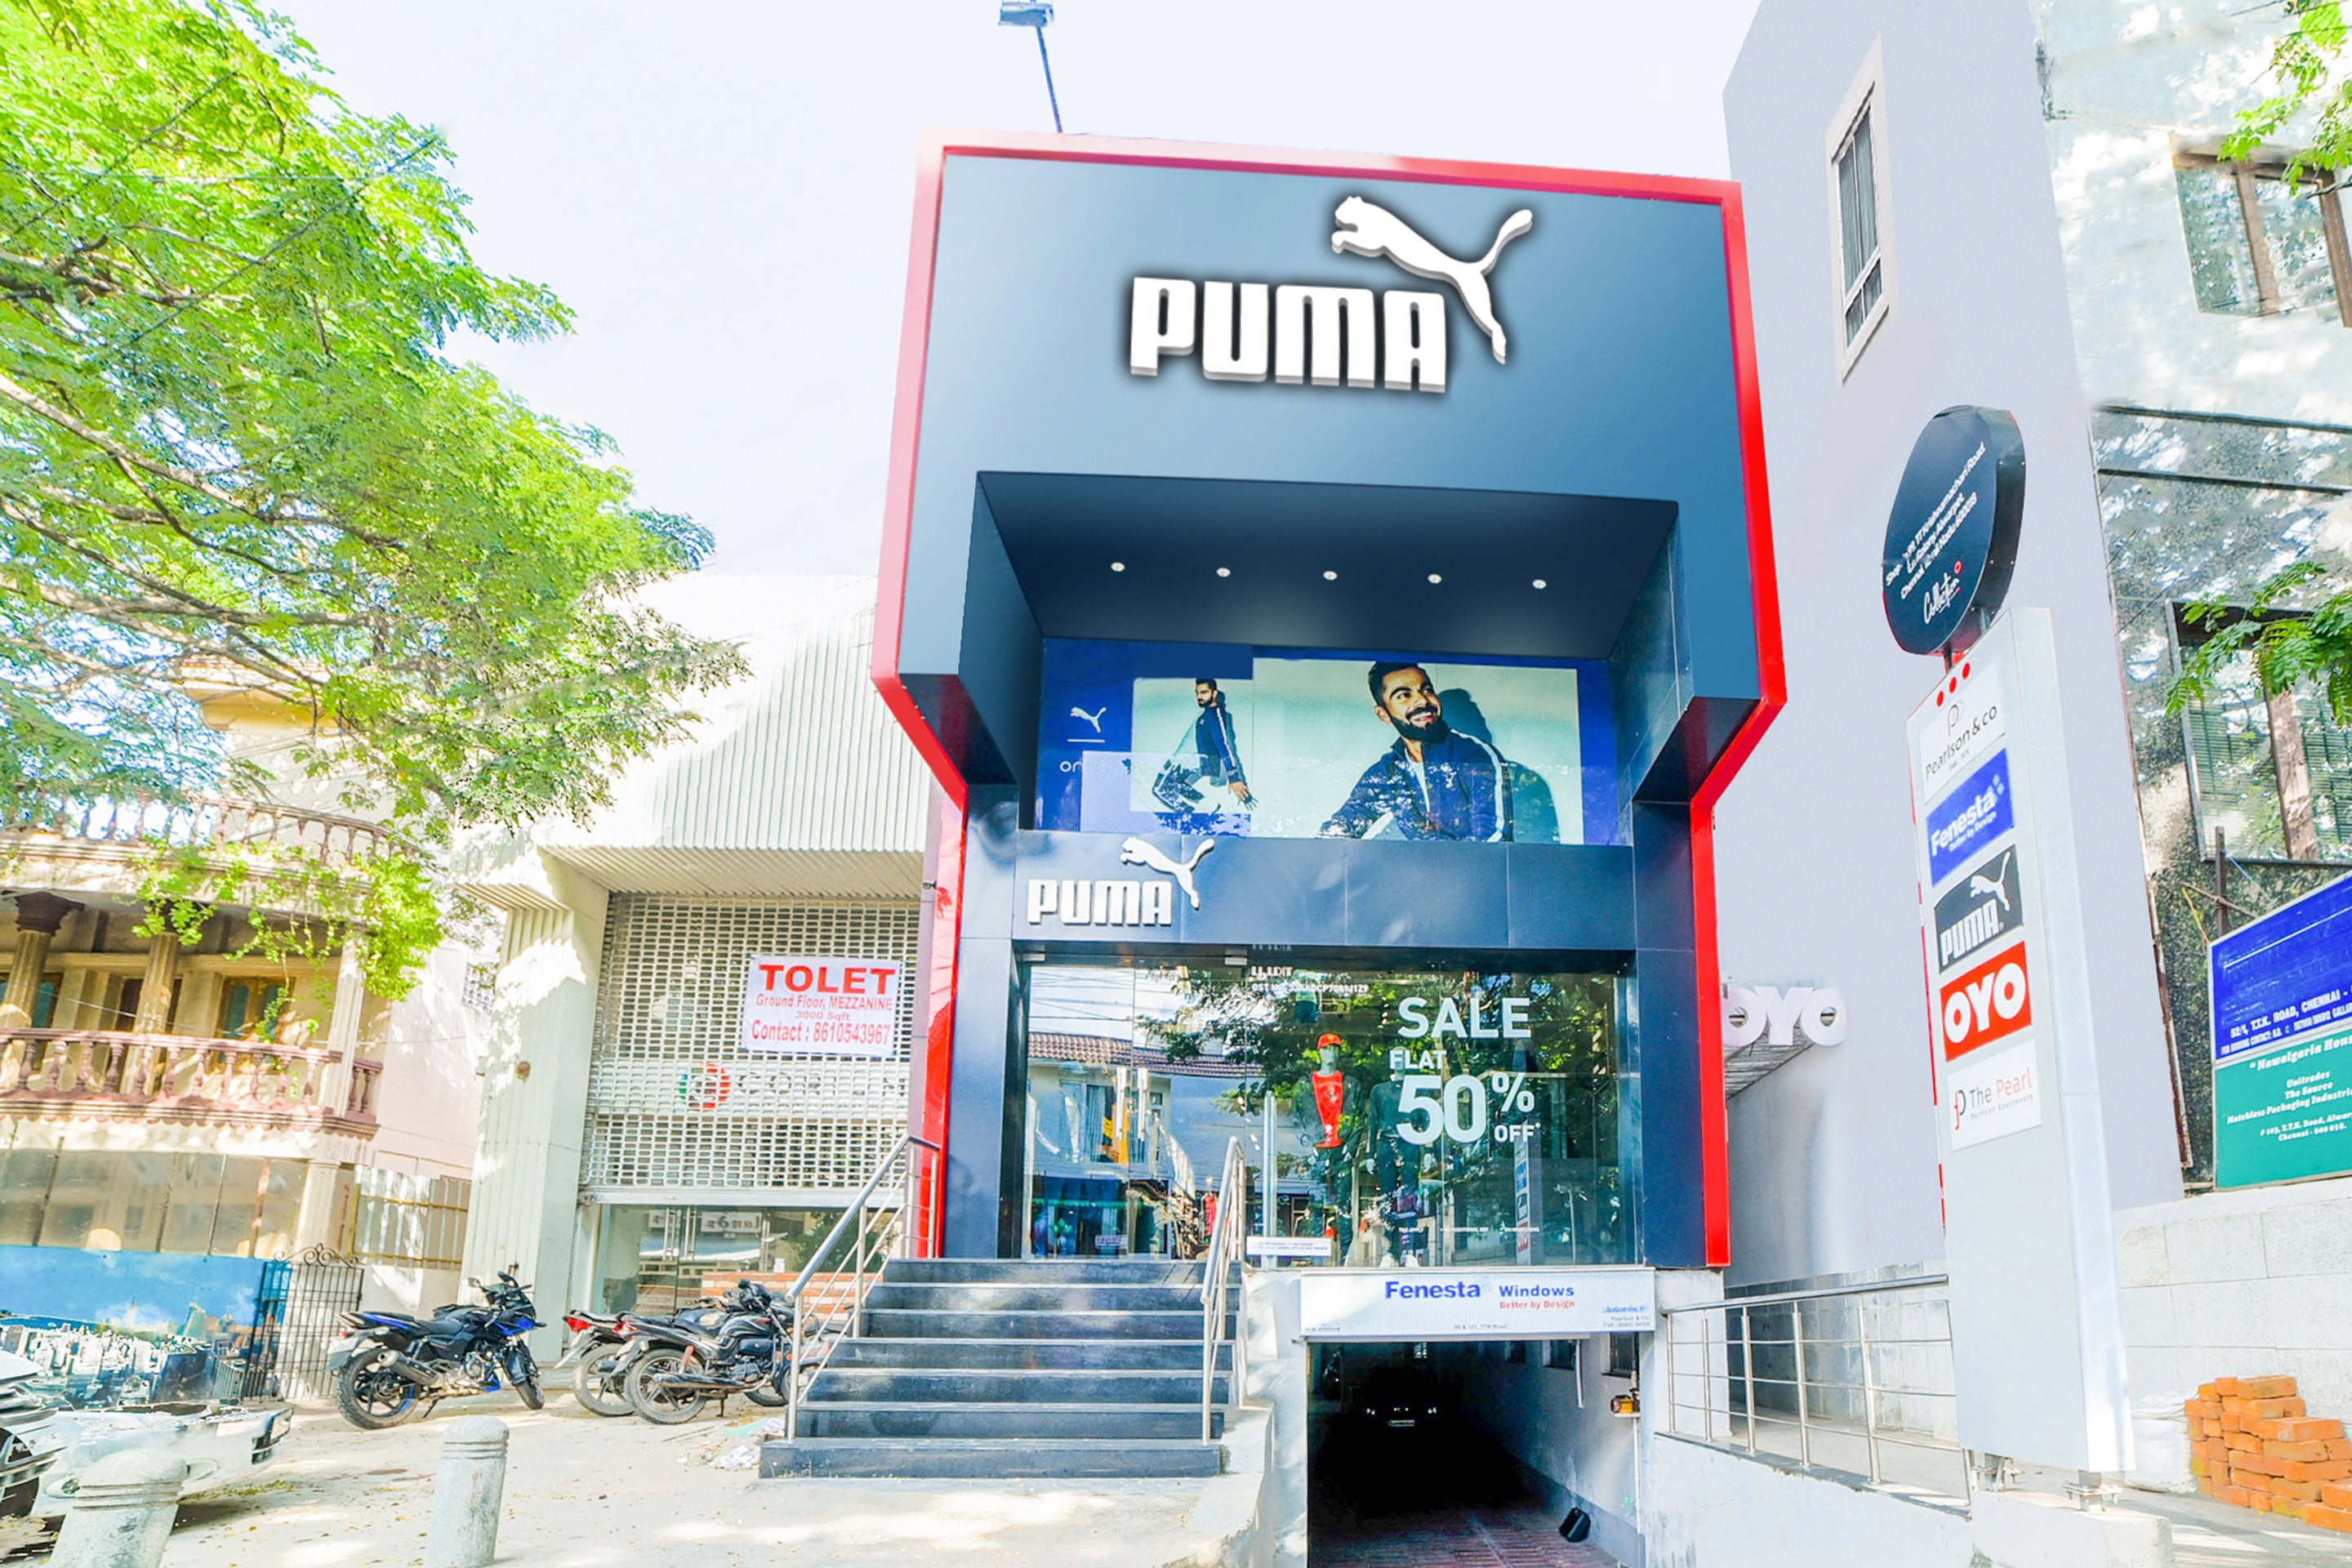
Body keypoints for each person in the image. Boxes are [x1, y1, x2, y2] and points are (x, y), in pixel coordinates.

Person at [1319, 662, 1511, 840]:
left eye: (1427, 690)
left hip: (1472, 867)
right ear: (1383, 714)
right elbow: (1340, 828)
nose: (1422, 701)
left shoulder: (1473, 755)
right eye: (1404, 695)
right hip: (1415, 867)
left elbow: (1493, 840)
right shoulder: (1388, 772)